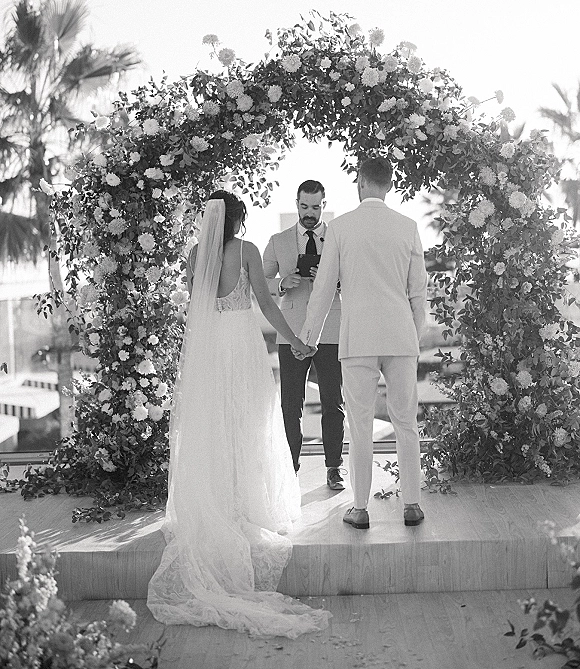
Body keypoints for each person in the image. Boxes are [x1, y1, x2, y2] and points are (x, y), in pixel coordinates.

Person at [147, 191, 330, 637]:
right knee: (248, 424)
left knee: (215, 425)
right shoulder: (246, 250)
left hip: (211, 351)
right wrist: (298, 341)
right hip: (243, 345)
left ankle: (220, 499)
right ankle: (247, 502)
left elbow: (197, 310)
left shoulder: (196, 254)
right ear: (238, 219)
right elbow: (267, 306)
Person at [298, 159, 429, 530]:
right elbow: (419, 294)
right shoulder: (408, 227)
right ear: (388, 185)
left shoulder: (340, 228)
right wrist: (412, 338)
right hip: (401, 337)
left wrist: (309, 338)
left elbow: (323, 291)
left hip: (358, 339)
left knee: (359, 426)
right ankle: (413, 506)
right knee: (406, 423)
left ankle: (359, 508)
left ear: (360, 183)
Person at [263, 180, 345, 489]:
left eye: (315, 207)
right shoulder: (279, 240)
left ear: (324, 204)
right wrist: (284, 283)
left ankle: (334, 467)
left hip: (331, 328)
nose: (309, 213)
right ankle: (289, 469)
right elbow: (260, 280)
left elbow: (352, 279)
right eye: (304, 206)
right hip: (292, 330)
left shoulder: (339, 238)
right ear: (296, 203)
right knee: (290, 403)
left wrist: (332, 280)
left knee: (332, 401)